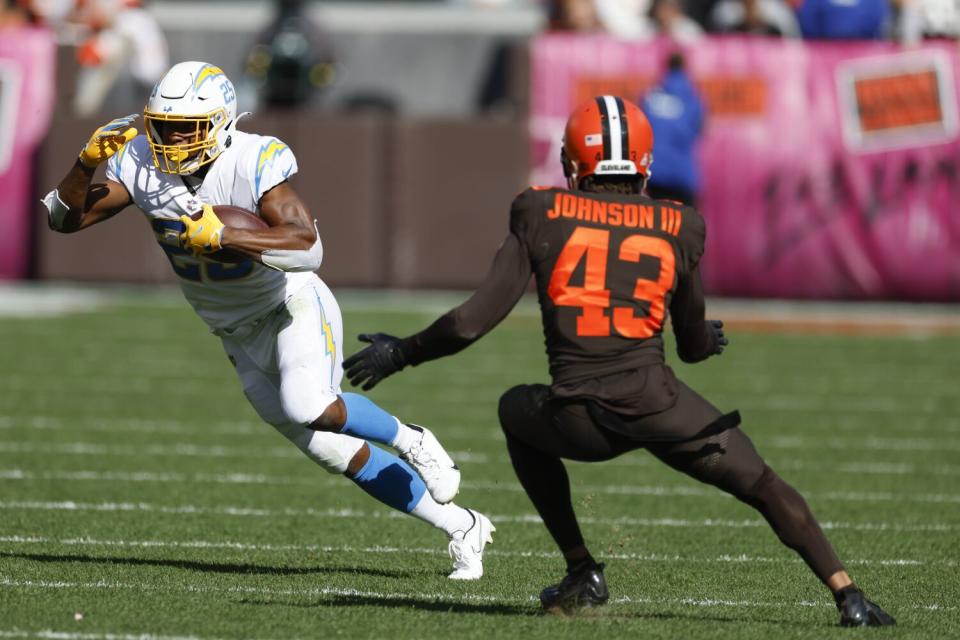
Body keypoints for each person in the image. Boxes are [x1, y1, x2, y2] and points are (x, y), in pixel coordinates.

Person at [343, 95, 896, 625]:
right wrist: (708, 337)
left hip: (580, 419)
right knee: (764, 485)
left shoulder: (541, 210)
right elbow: (692, 346)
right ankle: (848, 594)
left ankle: (582, 570)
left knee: (516, 408)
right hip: (663, 409)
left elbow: (470, 322)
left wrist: (401, 353)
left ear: (571, 161)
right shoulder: (679, 224)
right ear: (645, 164)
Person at [41, 61, 494, 580]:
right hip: (233, 330)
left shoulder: (254, 158)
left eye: (184, 128)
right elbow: (64, 220)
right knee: (331, 450)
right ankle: (463, 526)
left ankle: (413, 438)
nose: (169, 140)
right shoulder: (141, 158)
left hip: (290, 305)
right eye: (161, 126)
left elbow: (308, 247)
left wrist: (225, 236)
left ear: (220, 123)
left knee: (309, 403)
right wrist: (83, 163)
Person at [641, 52, 705, 207]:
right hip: (681, 174)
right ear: (684, 67)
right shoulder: (692, 97)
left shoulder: (650, 96)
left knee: (656, 227)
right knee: (686, 228)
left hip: (654, 174)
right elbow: (698, 130)